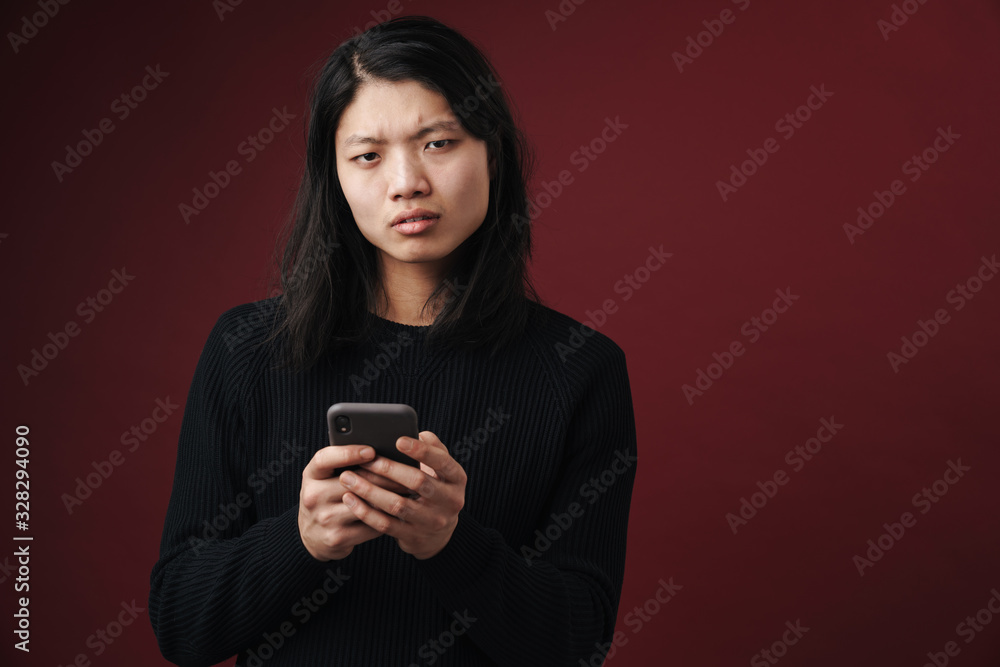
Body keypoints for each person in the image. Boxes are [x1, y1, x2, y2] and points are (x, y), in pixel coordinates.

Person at [149, 15, 638, 667]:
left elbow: (577, 644)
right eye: (368, 155)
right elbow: (181, 626)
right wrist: (302, 539)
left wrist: (450, 544)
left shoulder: (579, 371)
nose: (406, 181)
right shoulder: (247, 351)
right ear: (335, 177)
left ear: (492, 153)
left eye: (438, 142)